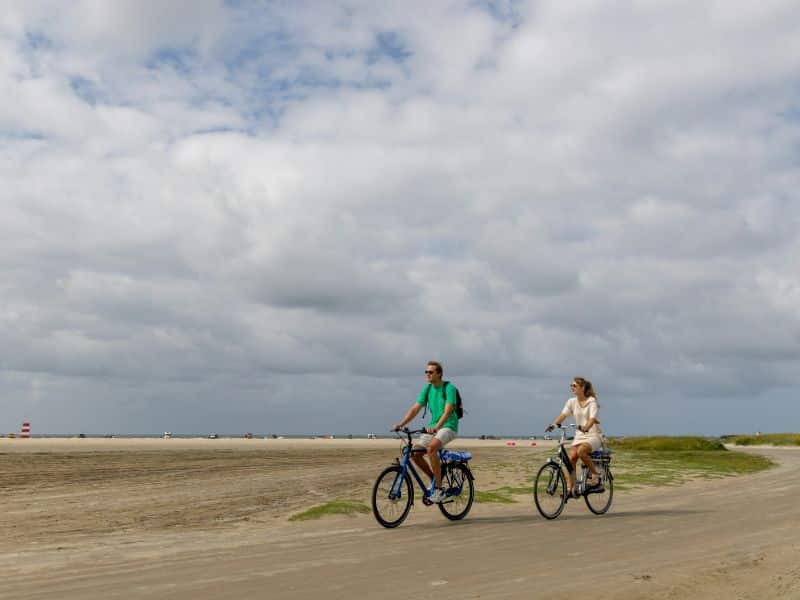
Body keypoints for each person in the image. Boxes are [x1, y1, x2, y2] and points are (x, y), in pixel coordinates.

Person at [392, 360, 459, 503]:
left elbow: (447, 412)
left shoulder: (449, 388)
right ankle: (435, 479)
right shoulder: (427, 389)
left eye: (431, 372)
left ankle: (440, 490)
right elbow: (415, 409)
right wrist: (400, 424)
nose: (427, 374)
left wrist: (436, 427)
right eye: (426, 372)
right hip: (433, 426)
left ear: (439, 374)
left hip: (448, 426)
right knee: (414, 453)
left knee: (431, 448)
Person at [546, 377, 604, 497]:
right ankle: (571, 488)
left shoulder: (591, 401)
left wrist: (586, 427)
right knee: (571, 457)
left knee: (581, 451)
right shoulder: (571, 401)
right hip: (579, 436)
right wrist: (553, 425)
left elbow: (592, 418)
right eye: (571, 385)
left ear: (582, 388)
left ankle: (596, 475)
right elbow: (563, 415)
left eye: (575, 385)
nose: (572, 387)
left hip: (593, 435)